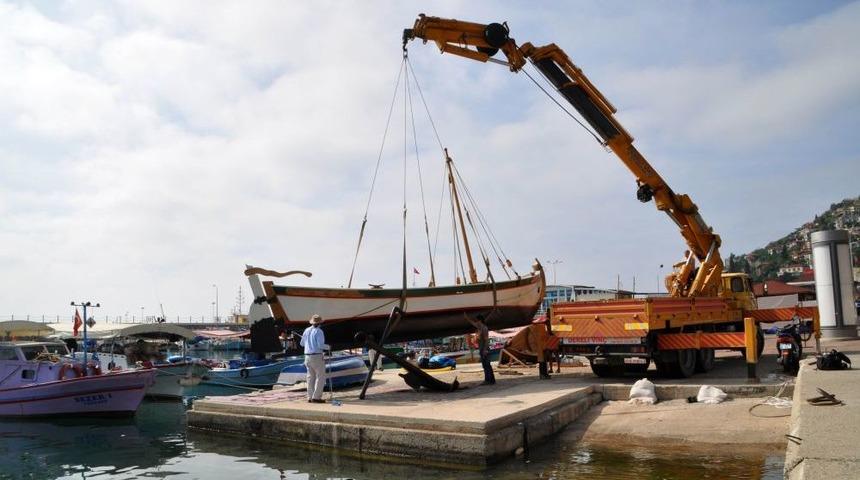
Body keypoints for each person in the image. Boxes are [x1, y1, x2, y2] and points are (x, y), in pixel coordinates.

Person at [300, 314, 330, 403]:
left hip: (307, 356)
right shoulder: (319, 331)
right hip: (316, 356)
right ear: (320, 323)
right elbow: (320, 345)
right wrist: (328, 347)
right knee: (320, 377)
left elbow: (302, 344)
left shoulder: (306, 330)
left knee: (310, 377)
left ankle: (310, 396)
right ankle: (316, 397)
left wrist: (309, 344)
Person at [466, 314, 495, 385]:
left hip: (485, 349)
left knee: (486, 365)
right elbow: (472, 322)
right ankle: (491, 380)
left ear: (480, 321)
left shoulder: (484, 328)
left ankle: (488, 380)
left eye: (477, 321)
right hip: (482, 349)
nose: (476, 322)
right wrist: (466, 317)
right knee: (486, 365)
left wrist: (485, 350)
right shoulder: (480, 327)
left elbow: (486, 340)